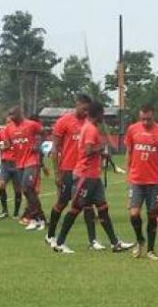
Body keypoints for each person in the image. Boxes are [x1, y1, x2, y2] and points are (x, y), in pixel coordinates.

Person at [53, 102, 133, 254]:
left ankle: (115, 243)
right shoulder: (90, 129)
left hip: (93, 176)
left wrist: (101, 153)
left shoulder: (90, 128)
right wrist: (101, 148)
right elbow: (88, 150)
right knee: (76, 208)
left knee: (103, 208)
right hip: (85, 175)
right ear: (99, 114)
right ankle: (59, 242)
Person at [46, 94, 103, 250]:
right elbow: (55, 148)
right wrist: (57, 173)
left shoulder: (90, 124)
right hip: (68, 169)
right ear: (77, 104)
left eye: (87, 110)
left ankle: (93, 240)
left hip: (84, 171)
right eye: (83, 109)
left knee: (88, 204)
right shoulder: (63, 122)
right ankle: (50, 235)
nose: (85, 112)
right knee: (62, 202)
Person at [124, 104, 158, 259]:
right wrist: (128, 174)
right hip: (136, 180)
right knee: (134, 214)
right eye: (143, 119)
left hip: (154, 181)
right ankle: (140, 240)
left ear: (153, 116)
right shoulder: (132, 129)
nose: (146, 122)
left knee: (153, 215)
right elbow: (129, 152)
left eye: (149, 119)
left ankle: (151, 250)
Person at [1, 107, 47, 231]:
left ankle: (38, 218)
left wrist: (38, 145)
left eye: (13, 114)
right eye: (9, 114)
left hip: (32, 161)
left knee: (28, 187)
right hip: (19, 162)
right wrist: (1, 146)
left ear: (20, 113)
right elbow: (8, 144)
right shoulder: (8, 129)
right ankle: (37, 218)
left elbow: (44, 133)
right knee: (27, 191)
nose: (11, 116)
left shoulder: (31, 125)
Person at [0, 110, 22, 219]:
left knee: (17, 188)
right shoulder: (2, 132)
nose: (9, 124)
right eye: (8, 122)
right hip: (5, 163)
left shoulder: (18, 131)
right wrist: (0, 146)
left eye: (11, 122)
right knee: (1, 185)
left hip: (16, 162)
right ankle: (4, 210)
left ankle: (16, 212)